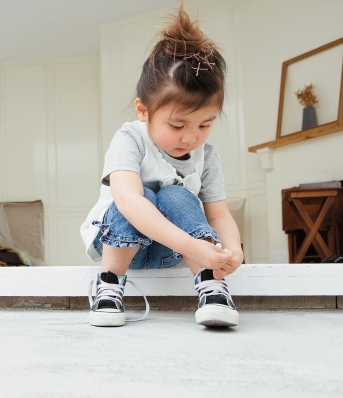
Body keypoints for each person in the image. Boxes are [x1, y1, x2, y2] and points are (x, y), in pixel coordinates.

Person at [80, 3, 244, 328]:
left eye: (205, 124)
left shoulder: (206, 155)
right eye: (178, 125)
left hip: (169, 251)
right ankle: (109, 285)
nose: (191, 138)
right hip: (118, 242)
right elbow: (128, 201)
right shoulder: (130, 139)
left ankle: (211, 284)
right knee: (144, 197)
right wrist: (194, 246)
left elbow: (220, 213)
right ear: (143, 110)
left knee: (177, 197)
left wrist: (232, 251)